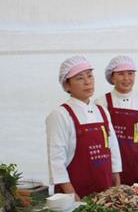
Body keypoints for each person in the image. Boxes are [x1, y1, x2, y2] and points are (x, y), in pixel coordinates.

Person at [46, 56, 122, 199]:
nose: (87, 82)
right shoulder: (60, 114)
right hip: (75, 194)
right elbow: (56, 159)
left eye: (89, 76)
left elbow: (112, 147)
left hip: (105, 191)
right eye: (80, 78)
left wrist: (116, 180)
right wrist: (72, 195)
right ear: (67, 85)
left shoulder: (102, 111)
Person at [96, 56, 138, 185]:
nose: (127, 78)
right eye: (121, 74)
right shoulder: (102, 101)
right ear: (112, 77)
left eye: (130, 73)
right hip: (115, 163)